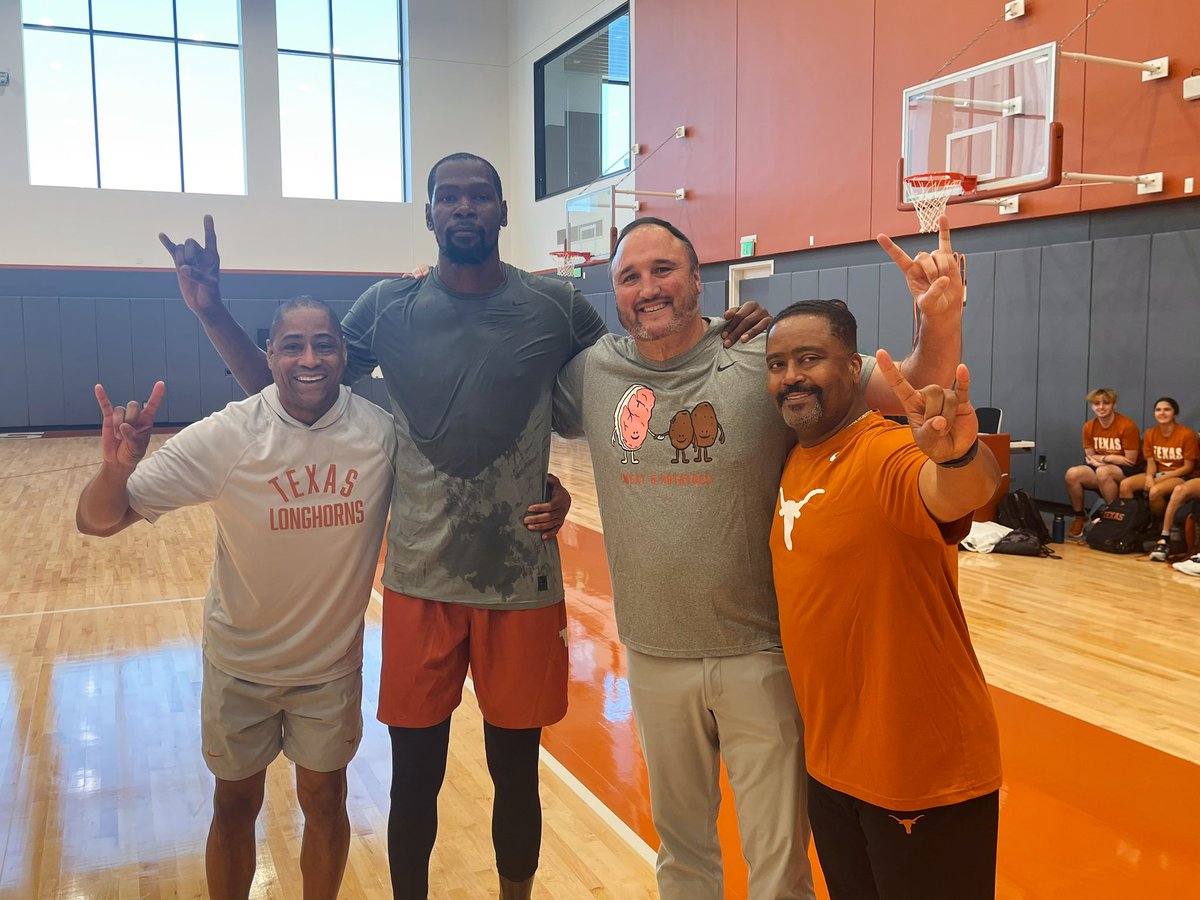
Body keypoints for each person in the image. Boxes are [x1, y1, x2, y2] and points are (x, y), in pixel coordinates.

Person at [157, 154, 761, 900]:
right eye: (450, 197)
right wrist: (212, 311)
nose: (464, 208)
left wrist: (729, 333)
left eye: (480, 197)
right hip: (420, 582)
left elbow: (633, 373)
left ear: (504, 213)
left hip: (523, 582)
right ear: (432, 216)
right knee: (415, 783)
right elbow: (286, 391)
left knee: (516, 778)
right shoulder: (386, 307)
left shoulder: (554, 306)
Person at [552, 216, 965, 898]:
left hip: (763, 653)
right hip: (654, 654)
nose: (648, 288)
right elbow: (506, 414)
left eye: (664, 270)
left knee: (779, 867)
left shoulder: (764, 354)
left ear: (697, 278)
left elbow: (913, 386)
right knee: (682, 857)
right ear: (614, 294)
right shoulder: (591, 373)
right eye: (630, 277)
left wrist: (938, 322)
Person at [75, 298, 397, 900]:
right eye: (293, 345)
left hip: (329, 671)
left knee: (326, 801)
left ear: (344, 354)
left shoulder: (380, 434)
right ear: (268, 355)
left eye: (324, 344)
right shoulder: (230, 435)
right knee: (235, 803)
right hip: (239, 667)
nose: (310, 358)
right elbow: (98, 522)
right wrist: (117, 470)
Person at [766, 299, 1002, 900]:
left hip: (921, 773)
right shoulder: (795, 459)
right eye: (777, 363)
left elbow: (954, 493)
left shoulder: (881, 451)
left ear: (854, 370)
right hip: (832, 770)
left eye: (810, 358)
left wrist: (959, 458)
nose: (791, 375)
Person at [1063, 388, 1141, 537]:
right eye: (1096, 403)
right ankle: (1080, 516)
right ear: (1092, 406)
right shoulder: (1089, 426)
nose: (1101, 407)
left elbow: (1130, 461)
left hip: (1127, 472)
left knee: (1103, 471)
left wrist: (1103, 460)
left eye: (1106, 403)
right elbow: (1090, 457)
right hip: (1101, 467)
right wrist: (1111, 458)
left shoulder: (1127, 425)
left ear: (1114, 405)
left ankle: (1115, 517)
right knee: (1072, 474)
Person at [1118, 397, 1198, 526]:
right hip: (1157, 473)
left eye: (1167, 409)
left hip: (1179, 475)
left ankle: (1159, 524)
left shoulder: (1187, 434)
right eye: (1158, 410)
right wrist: (1150, 477)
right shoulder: (1150, 433)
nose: (1162, 413)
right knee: (1125, 485)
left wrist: (1161, 479)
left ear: (1175, 413)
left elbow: (1188, 467)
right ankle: (1130, 524)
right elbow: (1151, 463)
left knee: (1155, 491)